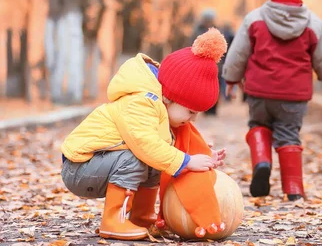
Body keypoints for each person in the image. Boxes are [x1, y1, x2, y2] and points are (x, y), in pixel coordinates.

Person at [60, 28, 229, 241]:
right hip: (79, 168)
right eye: (191, 112)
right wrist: (186, 162)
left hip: (101, 164)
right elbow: (145, 143)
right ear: (171, 97)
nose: (193, 119)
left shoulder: (162, 109)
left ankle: (141, 217)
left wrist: (202, 155)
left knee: (157, 161)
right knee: (139, 156)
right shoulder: (141, 102)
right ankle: (114, 220)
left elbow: (168, 149)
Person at [222, 0, 322, 201]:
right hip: (294, 96)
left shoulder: (254, 19)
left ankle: (262, 162)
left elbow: (238, 53)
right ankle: (294, 190)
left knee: (258, 125)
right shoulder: (313, 23)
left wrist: (231, 79)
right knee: (288, 134)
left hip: (259, 92)